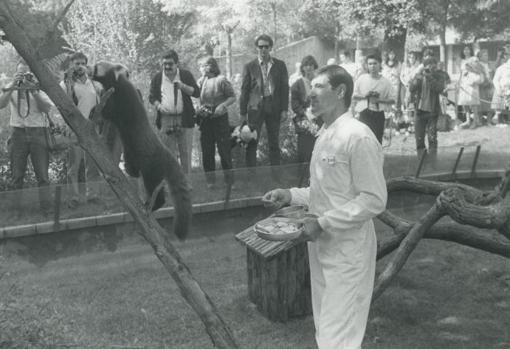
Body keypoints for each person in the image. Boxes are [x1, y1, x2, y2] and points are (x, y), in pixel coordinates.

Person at [262, 64, 387, 349]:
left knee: (337, 336)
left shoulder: (359, 136)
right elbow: (325, 191)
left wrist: (323, 222)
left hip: (348, 251)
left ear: (340, 91)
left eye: (318, 87)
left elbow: (374, 199)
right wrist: (290, 195)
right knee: (326, 329)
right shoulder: (325, 134)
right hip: (320, 246)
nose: (310, 94)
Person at [60, 52, 114, 207]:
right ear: (71, 65)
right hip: (75, 128)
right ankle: (74, 198)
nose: (80, 66)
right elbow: (64, 107)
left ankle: (93, 195)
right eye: (76, 63)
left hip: (92, 128)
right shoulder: (65, 84)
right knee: (74, 165)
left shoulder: (93, 84)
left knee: (93, 163)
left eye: (82, 63)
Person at [0, 60, 53, 215]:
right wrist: (12, 86)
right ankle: (16, 211)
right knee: (16, 175)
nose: (24, 77)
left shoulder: (38, 87)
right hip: (18, 133)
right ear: (16, 73)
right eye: (20, 73)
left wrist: (33, 90)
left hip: (38, 133)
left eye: (26, 73)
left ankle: (47, 209)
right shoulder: (11, 87)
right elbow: (1, 104)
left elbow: (46, 107)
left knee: (43, 175)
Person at [239, 34, 289, 181]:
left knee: (274, 142)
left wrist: (285, 109)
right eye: (260, 46)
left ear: (271, 48)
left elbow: (285, 88)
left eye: (266, 46)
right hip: (255, 109)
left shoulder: (280, 65)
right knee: (252, 142)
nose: (263, 49)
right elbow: (244, 90)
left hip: (274, 107)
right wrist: (242, 113)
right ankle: (251, 176)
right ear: (257, 48)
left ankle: (276, 175)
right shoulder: (249, 67)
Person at [149, 50, 200, 175]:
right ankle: (172, 184)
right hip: (166, 120)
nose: (167, 67)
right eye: (164, 64)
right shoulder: (157, 77)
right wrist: (159, 106)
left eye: (170, 63)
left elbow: (196, 92)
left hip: (185, 118)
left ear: (177, 63)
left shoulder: (185, 75)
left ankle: (186, 185)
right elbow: (152, 97)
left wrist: (183, 86)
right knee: (168, 154)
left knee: (186, 154)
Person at [196, 57, 236, 189]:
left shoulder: (221, 80)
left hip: (220, 120)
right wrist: (199, 109)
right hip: (206, 120)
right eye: (200, 66)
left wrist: (222, 106)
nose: (201, 68)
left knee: (224, 150)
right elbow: (196, 97)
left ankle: (229, 181)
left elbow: (232, 97)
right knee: (207, 151)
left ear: (211, 66)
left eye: (203, 66)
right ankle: (210, 182)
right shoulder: (201, 81)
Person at [290, 55, 320, 183]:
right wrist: (305, 114)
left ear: (314, 67)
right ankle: (302, 178)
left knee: (319, 148)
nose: (308, 68)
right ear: (302, 68)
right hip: (303, 120)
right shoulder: (297, 84)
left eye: (311, 66)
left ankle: (318, 176)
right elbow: (294, 104)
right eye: (306, 66)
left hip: (319, 119)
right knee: (304, 151)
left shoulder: (320, 82)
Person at [409, 57, 447, 157]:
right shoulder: (420, 76)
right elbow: (411, 88)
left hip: (432, 112)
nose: (430, 68)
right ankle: (421, 161)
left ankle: (433, 161)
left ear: (435, 66)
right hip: (419, 111)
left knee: (432, 138)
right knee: (419, 138)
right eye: (427, 65)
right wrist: (418, 76)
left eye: (432, 65)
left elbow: (439, 88)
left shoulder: (439, 75)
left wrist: (430, 77)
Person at [352, 54, 394, 143]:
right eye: (370, 64)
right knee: (363, 140)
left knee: (377, 141)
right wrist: (365, 96)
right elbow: (354, 95)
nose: (372, 66)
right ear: (367, 65)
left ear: (380, 65)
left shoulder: (385, 82)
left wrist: (379, 100)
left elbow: (392, 100)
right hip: (364, 113)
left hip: (378, 114)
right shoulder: (361, 79)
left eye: (375, 63)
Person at [457, 45, 483, 129]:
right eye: (464, 49)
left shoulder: (474, 59)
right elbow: (461, 73)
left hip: (472, 80)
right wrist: (458, 82)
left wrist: (471, 69)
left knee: (473, 102)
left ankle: (476, 121)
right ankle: (468, 120)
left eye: (468, 49)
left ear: (470, 50)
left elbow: (479, 70)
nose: (466, 51)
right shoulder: (462, 61)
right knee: (465, 102)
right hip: (464, 82)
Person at [400, 51, 421, 129]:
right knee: (406, 104)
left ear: (415, 58)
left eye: (413, 57)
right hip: (406, 87)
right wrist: (405, 83)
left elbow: (418, 77)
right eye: (410, 57)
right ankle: (406, 124)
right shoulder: (405, 66)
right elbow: (401, 76)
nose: (411, 59)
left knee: (414, 105)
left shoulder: (417, 66)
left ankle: (414, 124)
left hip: (414, 88)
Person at [491, 55, 510, 127]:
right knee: (500, 107)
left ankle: (507, 120)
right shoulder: (501, 68)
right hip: (501, 90)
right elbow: (495, 80)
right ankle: (499, 122)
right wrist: (499, 90)